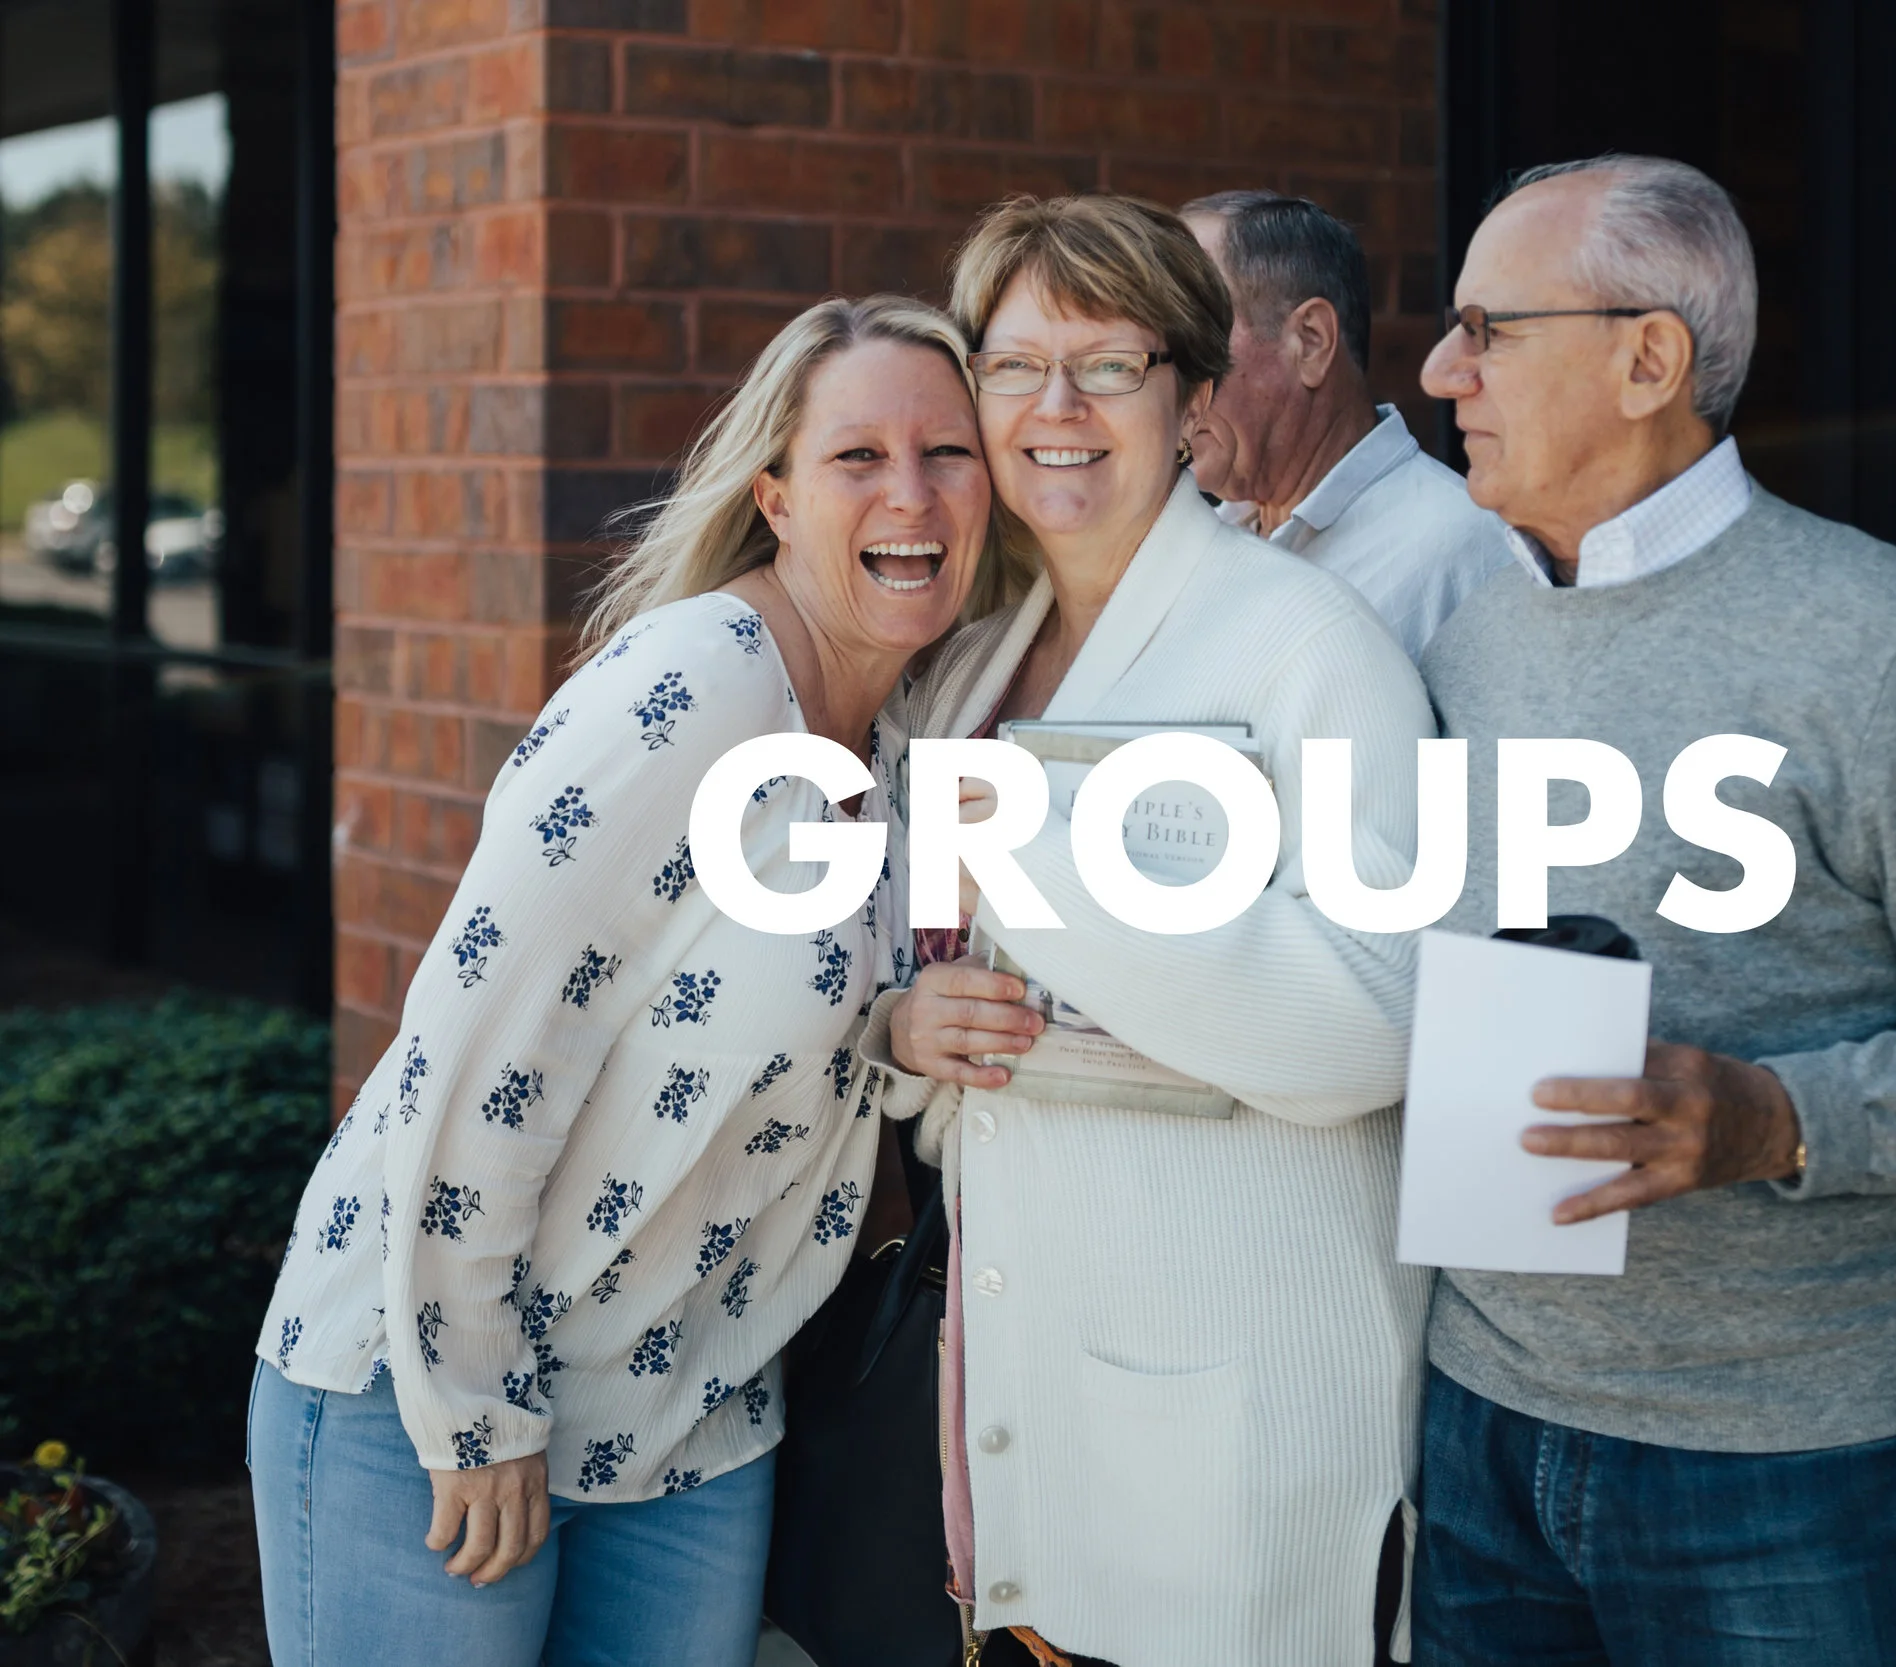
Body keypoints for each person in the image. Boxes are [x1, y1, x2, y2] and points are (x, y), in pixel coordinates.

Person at [1410, 156, 1896, 1664]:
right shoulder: (1469, 634)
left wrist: (1780, 1120)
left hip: (1808, 1459)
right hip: (1485, 1418)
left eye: (1488, 328)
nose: (1440, 371)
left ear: (1648, 360)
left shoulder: (1888, 642)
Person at [246, 295, 1018, 1667]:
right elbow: (480, 1040)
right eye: (858, 455)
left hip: (689, 1420)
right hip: (429, 1382)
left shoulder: (908, 738)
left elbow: (790, 1015)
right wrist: (472, 1399)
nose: (910, 492)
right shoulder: (696, 688)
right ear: (775, 497)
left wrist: (902, 1026)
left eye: (946, 452)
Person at [858, 192, 1434, 1667]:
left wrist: (1037, 866)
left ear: (1190, 397)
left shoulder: (1307, 647)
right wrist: (910, 1033)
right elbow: (919, 975)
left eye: (1109, 365)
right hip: (1030, 1394)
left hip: (1241, 1428)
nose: (1056, 407)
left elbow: (1373, 1023)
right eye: (1014, 365)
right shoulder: (970, 667)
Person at [1179, 190, 1509, 659]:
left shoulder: (1463, 548)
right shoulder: (1199, 540)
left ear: (1310, 341)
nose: (1165, 385)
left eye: (1192, 340)